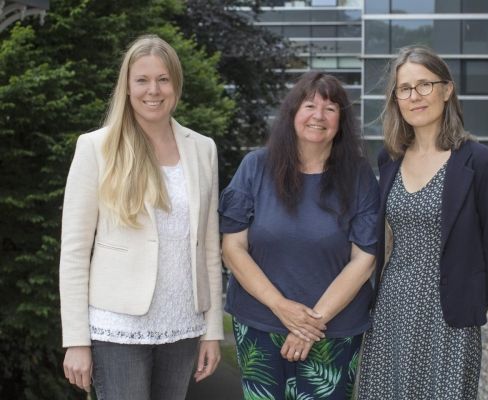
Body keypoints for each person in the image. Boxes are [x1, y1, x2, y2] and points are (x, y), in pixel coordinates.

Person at [59, 34, 223, 399]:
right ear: (127, 86)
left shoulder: (203, 149)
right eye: (142, 80)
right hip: (117, 327)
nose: (154, 90)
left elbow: (210, 249)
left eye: (163, 79)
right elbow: (74, 251)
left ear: (176, 84)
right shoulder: (96, 147)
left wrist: (212, 330)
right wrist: (76, 340)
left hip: (182, 326)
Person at [357, 46, 488, 399]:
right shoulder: (389, 159)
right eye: (404, 89)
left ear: (446, 90)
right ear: (396, 99)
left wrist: (469, 300)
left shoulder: (480, 162)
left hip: (450, 318)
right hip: (392, 309)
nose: (415, 96)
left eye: (424, 85)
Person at [219, 71, 379, 399]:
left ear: (341, 122)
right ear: (292, 114)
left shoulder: (360, 175)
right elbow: (232, 248)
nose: (318, 116)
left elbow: (364, 260)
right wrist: (281, 307)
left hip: (333, 331)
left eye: (330, 109)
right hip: (260, 325)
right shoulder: (254, 167)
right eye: (309, 106)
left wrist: (309, 324)